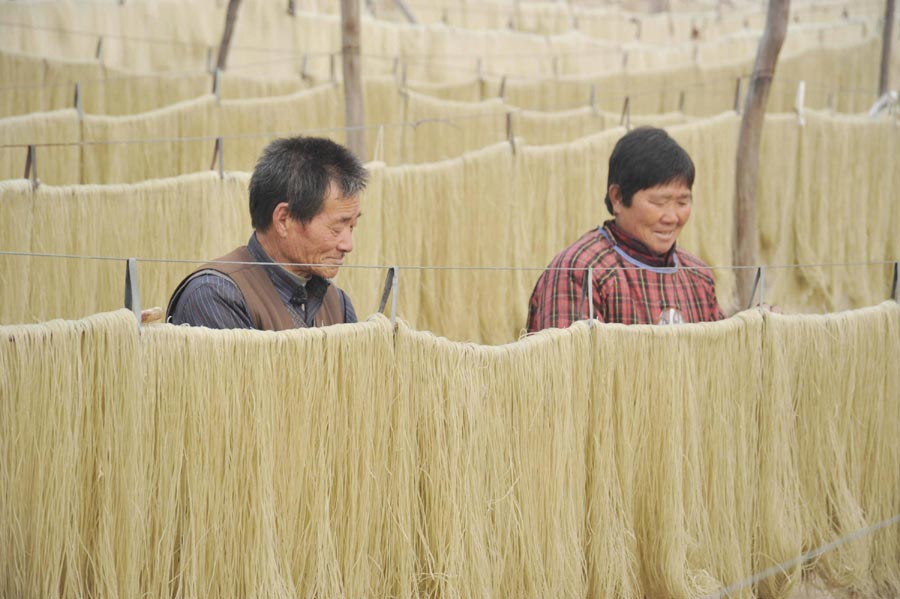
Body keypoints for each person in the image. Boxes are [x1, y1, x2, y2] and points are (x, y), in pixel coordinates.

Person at [526, 127, 725, 331]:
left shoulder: (698, 276)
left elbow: (723, 353)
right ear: (618, 198)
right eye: (659, 202)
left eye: (682, 202)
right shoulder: (581, 270)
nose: (672, 217)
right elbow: (568, 359)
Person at [167, 136, 366, 330]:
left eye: (352, 227)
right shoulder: (215, 297)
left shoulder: (338, 305)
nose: (348, 245)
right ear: (284, 220)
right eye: (336, 228)